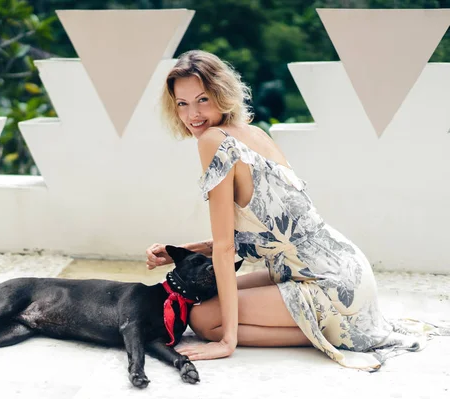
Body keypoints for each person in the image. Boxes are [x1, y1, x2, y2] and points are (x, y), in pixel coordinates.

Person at [145, 50, 446, 371]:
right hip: (345, 271)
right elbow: (261, 232)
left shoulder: (213, 140)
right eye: (182, 103)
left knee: (204, 319)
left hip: (327, 285)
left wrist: (227, 340)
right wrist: (181, 251)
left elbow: (225, 247)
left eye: (202, 99)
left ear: (221, 94)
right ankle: (338, 326)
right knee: (208, 295)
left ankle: (336, 332)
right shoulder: (254, 133)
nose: (193, 114)